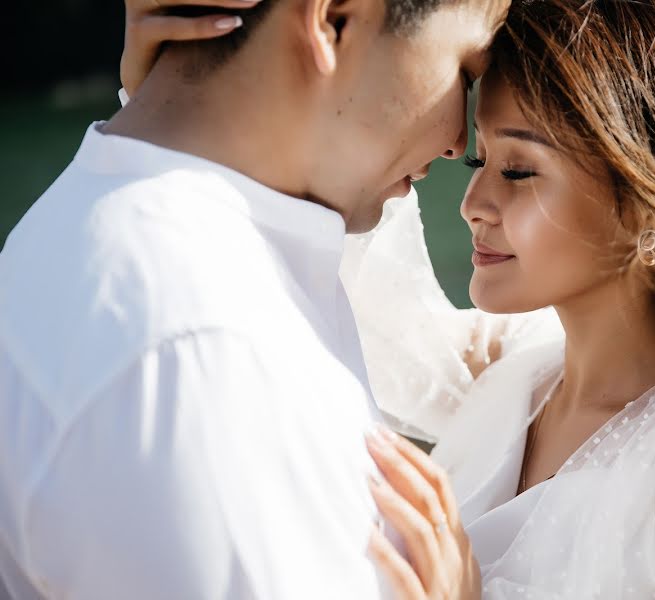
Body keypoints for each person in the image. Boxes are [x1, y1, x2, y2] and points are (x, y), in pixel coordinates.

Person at [114, 0, 655, 598]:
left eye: (518, 171)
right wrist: (180, 92)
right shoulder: (516, 377)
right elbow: (359, 295)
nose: (474, 204)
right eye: (478, 162)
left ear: (649, 206)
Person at [0, 0, 510, 598]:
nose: (458, 141)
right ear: (333, 20)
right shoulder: (194, 354)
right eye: (466, 73)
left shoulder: (133, 245)